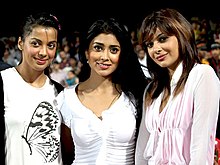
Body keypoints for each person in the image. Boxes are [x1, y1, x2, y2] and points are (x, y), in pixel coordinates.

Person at [55, 17, 148, 164]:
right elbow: (66, 154)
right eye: (98, 48)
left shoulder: (135, 97)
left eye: (113, 50)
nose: (105, 57)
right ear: (86, 52)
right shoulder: (65, 99)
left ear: (121, 55)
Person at [135, 8, 220, 165]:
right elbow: (142, 148)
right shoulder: (152, 90)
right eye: (149, 44)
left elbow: (201, 146)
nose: (156, 49)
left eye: (162, 39)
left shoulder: (202, 75)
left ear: (181, 35)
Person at [0, 11, 64, 165]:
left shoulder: (60, 92)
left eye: (50, 45)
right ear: (21, 43)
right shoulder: (3, 82)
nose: (43, 52)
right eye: (36, 43)